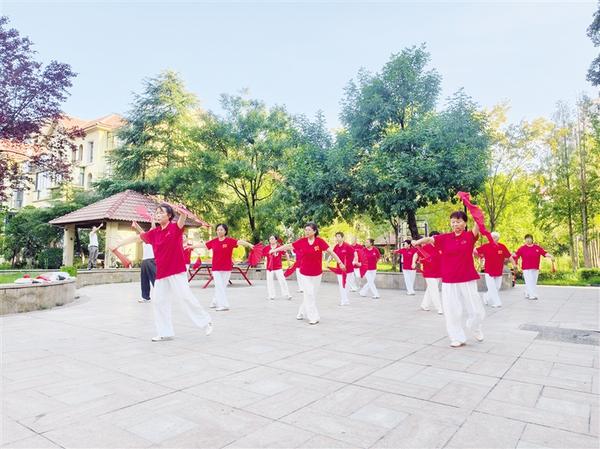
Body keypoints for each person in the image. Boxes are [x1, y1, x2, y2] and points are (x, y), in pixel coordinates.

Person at [137, 203, 213, 341]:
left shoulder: (175, 228)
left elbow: (182, 219)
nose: (158, 214)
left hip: (176, 270)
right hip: (161, 272)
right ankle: (165, 332)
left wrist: (182, 211)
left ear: (169, 215)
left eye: (161, 212)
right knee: (159, 301)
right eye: (157, 212)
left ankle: (205, 322)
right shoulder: (154, 233)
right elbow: (140, 237)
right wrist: (118, 244)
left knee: (185, 297)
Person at [412, 211, 484, 348]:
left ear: (465, 223)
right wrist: (417, 242)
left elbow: (478, 224)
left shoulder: (469, 236)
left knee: (476, 310)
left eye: (458, 221)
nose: (455, 224)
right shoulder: (445, 238)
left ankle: (474, 326)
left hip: (467, 277)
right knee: (452, 311)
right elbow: (429, 239)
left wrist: (477, 213)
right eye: (453, 222)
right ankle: (457, 337)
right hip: (449, 279)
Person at [270, 222, 345, 325]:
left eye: (309, 230)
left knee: (311, 295)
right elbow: (289, 246)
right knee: (309, 294)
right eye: (305, 230)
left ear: (314, 231)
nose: (307, 231)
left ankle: (301, 312)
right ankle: (313, 317)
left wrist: (340, 262)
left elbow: (331, 252)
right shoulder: (302, 241)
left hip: (317, 274)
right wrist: (275, 249)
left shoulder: (319, 241)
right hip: (304, 273)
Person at [194, 224, 254, 311]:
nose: (219, 231)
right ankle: (224, 305)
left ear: (225, 231)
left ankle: (215, 301)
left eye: (221, 230)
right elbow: (204, 245)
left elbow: (240, 242)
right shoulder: (214, 241)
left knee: (222, 286)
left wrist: (249, 244)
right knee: (219, 286)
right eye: (218, 230)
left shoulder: (229, 241)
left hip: (226, 268)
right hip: (216, 268)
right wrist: (192, 246)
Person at [111, 222, 156, 303]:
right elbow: (141, 231)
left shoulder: (153, 236)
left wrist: (152, 220)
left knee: (155, 280)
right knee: (144, 280)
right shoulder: (145, 237)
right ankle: (146, 297)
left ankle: (161, 295)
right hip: (145, 261)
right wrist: (136, 224)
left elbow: (153, 228)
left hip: (151, 260)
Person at [475, 231, 515, 307]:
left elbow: (509, 256)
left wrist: (514, 264)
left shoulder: (502, 247)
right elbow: (475, 251)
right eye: (491, 237)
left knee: (497, 287)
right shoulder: (486, 246)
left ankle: (486, 296)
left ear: (498, 238)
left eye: (495, 237)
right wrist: (480, 256)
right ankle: (497, 302)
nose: (493, 239)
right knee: (492, 288)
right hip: (489, 271)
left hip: (498, 271)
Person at [513, 234, 553, 300]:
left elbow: (544, 253)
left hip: (535, 268)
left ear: (532, 239)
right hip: (526, 268)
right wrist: (511, 256)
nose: (528, 240)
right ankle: (532, 295)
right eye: (526, 239)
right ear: (525, 240)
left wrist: (551, 256)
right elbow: (516, 255)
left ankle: (527, 292)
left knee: (533, 282)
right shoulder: (522, 248)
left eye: (529, 238)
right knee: (529, 281)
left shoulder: (537, 247)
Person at [418, 231, 443, 314]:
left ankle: (424, 305)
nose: (435, 239)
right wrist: (413, 262)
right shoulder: (426, 247)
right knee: (434, 290)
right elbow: (416, 254)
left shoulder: (440, 247)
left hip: (438, 272)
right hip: (428, 272)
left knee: (430, 289)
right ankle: (439, 308)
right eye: (434, 237)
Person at [332, 232, 358, 306]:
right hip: (339, 269)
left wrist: (355, 260)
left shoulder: (347, 246)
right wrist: (328, 261)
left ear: (343, 238)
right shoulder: (336, 246)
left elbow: (355, 253)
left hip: (348, 269)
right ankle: (343, 300)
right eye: (336, 236)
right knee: (342, 285)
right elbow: (333, 254)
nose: (337, 238)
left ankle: (345, 300)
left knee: (347, 285)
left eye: (339, 236)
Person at [263, 235, 292, 301]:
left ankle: (287, 294)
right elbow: (263, 256)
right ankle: (271, 295)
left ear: (276, 240)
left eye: (273, 238)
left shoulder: (279, 247)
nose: (271, 240)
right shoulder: (266, 248)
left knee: (282, 281)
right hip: (270, 268)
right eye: (270, 239)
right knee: (270, 281)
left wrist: (289, 262)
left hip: (278, 267)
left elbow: (286, 254)